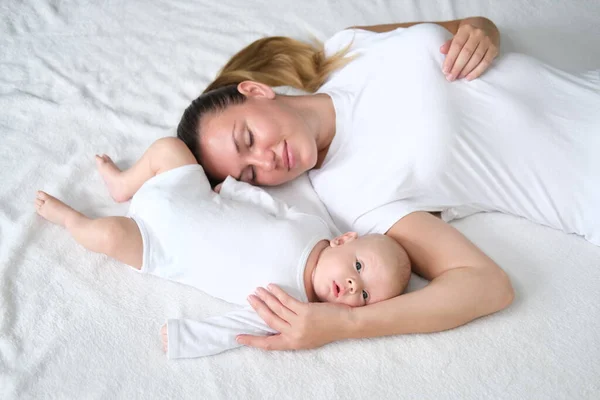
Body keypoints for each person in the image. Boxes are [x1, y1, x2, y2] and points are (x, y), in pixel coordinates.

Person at [175, 15, 600, 351]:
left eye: (247, 139)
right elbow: (485, 284)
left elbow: (465, 28)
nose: (265, 160)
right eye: (250, 174)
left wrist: (482, 30)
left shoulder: (348, 45)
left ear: (256, 90)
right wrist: (346, 324)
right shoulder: (350, 194)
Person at [33, 137, 411, 358]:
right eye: (358, 269)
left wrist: (189, 337)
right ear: (344, 240)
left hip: (156, 242)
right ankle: (123, 184)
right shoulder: (314, 225)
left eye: (363, 296)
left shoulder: (291, 304)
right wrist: (233, 189)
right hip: (193, 196)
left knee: (108, 236)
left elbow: (239, 329)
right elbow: (272, 207)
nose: (351, 286)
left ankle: (71, 221)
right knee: (170, 148)